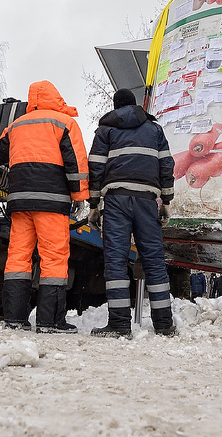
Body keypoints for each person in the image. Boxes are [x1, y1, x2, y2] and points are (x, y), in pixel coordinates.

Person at [0, 80, 88, 334]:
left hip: (20, 201)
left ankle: (14, 318)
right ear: (56, 97)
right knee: (54, 258)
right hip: (52, 202)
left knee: (18, 257)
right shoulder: (65, 123)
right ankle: (49, 321)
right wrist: (80, 197)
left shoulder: (17, 124)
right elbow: (76, 165)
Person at [87, 88, 176, 338]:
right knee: (154, 260)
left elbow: (95, 167)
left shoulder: (106, 129)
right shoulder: (155, 129)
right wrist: (166, 200)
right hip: (148, 200)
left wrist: (94, 205)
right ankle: (164, 324)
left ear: (116, 107)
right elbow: (166, 164)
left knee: (115, 261)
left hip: (116, 199)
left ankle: (119, 325)